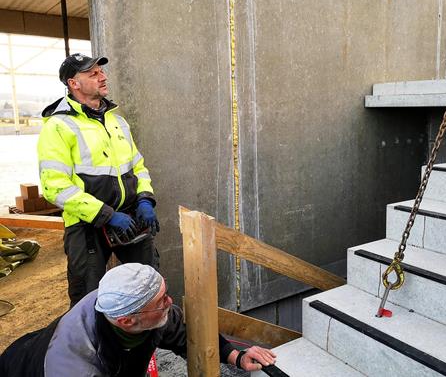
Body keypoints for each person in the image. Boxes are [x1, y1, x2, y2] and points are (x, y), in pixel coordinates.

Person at [38, 53, 161, 307]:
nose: (102, 76)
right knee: (87, 297)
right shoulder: (58, 126)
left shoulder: (117, 121)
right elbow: (55, 187)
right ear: (74, 84)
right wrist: (105, 215)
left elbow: (137, 165)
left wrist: (145, 199)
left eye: (101, 72)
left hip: (129, 217)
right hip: (86, 225)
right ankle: (91, 347)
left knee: (149, 285)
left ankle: (147, 343)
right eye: (93, 74)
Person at [0, 263, 276, 376]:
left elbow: (182, 331)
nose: (171, 303)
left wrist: (236, 356)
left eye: (165, 294)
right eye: (162, 302)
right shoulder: (75, 365)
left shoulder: (133, 305)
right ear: (127, 321)